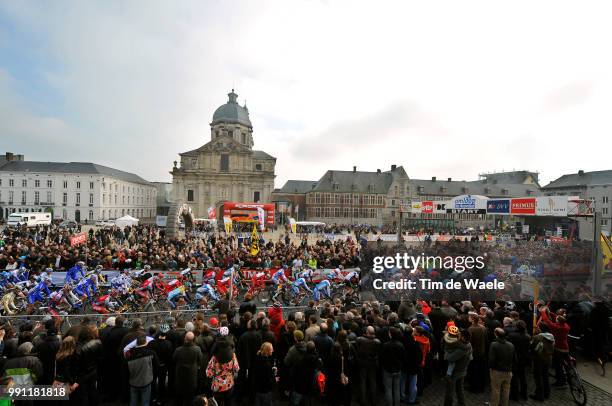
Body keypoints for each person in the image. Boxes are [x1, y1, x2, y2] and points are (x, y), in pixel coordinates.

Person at [126, 333, 159, 406]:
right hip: (146, 382)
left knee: (133, 402)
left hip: (133, 383)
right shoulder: (151, 353)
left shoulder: (130, 355)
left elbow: (126, 370)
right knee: (145, 403)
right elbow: (157, 366)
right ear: (145, 342)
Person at [206, 339, 240, 406]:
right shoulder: (233, 355)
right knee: (228, 402)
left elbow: (209, 374)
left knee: (218, 403)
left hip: (217, 386)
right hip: (229, 384)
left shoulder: (214, 358)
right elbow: (236, 369)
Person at [443, 329, 472, 406]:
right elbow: (471, 358)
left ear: (463, 337)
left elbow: (450, 358)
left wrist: (446, 351)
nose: (458, 336)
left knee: (450, 391)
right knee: (459, 388)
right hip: (463, 370)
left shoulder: (461, 349)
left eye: (459, 335)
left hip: (455, 372)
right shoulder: (469, 345)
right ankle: (461, 403)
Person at [173, 331, 203, 406]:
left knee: (179, 397)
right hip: (192, 376)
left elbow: (174, 359)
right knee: (190, 398)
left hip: (180, 376)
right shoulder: (197, 349)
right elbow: (200, 359)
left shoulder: (178, 350)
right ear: (193, 340)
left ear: (185, 339)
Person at [489, 328, 515, 406]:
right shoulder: (511, 345)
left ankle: (494, 404)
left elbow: (491, 359)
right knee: (506, 390)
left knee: (496, 390)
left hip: (497, 371)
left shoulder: (494, 344)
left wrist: (491, 368)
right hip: (508, 371)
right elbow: (515, 359)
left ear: (496, 334)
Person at [355, 326, 380, 406]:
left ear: (367, 332)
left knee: (363, 381)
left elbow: (357, 349)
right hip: (372, 363)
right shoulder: (377, 342)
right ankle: (374, 400)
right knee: (373, 382)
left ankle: (363, 400)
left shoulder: (360, 339)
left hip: (363, 363)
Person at [381, 327, 405, 406]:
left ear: (390, 335)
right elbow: (403, 357)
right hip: (397, 369)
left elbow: (382, 357)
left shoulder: (385, 345)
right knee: (396, 388)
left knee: (388, 389)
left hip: (387, 370)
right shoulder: (400, 345)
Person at [529, 326, 555, 401]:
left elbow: (532, 347)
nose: (536, 329)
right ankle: (547, 393)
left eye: (538, 328)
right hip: (548, 359)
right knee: (545, 376)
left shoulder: (538, 337)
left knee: (538, 377)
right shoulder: (551, 337)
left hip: (539, 360)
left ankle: (539, 395)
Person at [251, 342, 275, 406]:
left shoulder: (257, 357)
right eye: (272, 349)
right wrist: (274, 378)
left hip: (257, 388)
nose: (273, 350)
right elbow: (267, 379)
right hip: (265, 390)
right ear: (267, 351)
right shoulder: (266, 364)